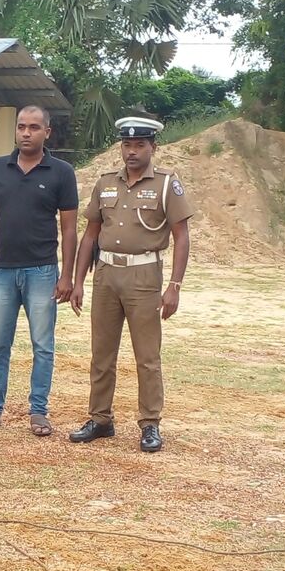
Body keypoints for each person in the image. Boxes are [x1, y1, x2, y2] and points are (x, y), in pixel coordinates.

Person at [69, 115, 194, 453]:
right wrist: (78, 281)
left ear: (153, 147)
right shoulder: (105, 182)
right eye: (127, 144)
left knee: (147, 356)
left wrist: (175, 285)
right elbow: (91, 234)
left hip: (144, 275)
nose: (132, 151)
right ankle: (100, 419)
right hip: (107, 274)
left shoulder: (166, 184)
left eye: (140, 145)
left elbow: (182, 236)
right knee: (101, 353)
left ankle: (150, 423)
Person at [0, 105, 78, 436]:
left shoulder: (61, 172)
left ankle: (38, 412)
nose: (26, 133)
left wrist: (67, 275)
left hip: (43, 272)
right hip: (3, 272)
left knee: (42, 345)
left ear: (47, 132)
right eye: (21, 127)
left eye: (34, 127)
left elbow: (69, 229)